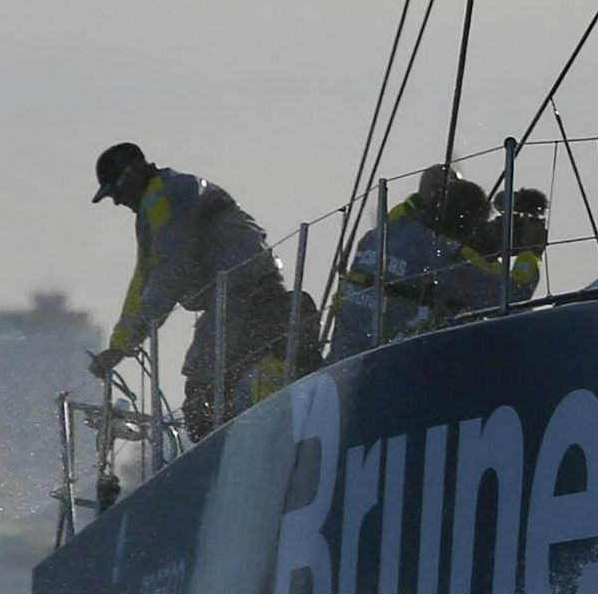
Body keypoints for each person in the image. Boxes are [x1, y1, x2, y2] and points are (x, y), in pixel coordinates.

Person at [88, 141, 293, 439]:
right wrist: (121, 343)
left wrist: (128, 341)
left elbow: (169, 273)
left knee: (203, 393)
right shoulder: (159, 200)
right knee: (208, 392)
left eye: (116, 191)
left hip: (244, 299)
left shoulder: (163, 199)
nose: (117, 202)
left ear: (133, 173)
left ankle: (227, 447)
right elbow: (144, 278)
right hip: (237, 298)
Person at [328, 166, 508, 359]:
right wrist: (527, 254)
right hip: (397, 361)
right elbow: (511, 291)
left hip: (342, 358)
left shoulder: (376, 237)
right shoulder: (448, 256)